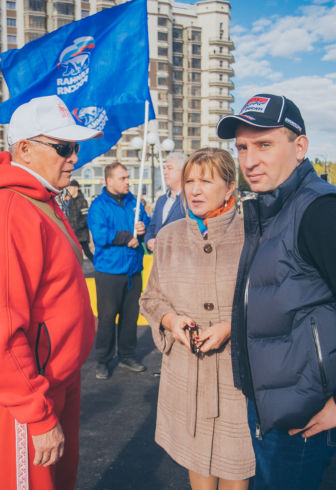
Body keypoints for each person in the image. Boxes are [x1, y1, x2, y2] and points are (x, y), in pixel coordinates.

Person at [217, 93, 336, 489]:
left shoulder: (319, 210)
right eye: (241, 147)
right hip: (276, 400)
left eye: (264, 144)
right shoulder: (272, 206)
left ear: (300, 147)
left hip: (301, 412)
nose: (249, 160)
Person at [0, 95, 101, 490]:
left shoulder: (37, 200)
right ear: (24, 148)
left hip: (55, 377)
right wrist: (35, 414)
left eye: (74, 147)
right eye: (63, 147)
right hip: (31, 389)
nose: (73, 157)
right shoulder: (6, 212)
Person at [140, 148, 254, 490]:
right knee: (196, 457)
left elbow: (270, 303)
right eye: (190, 180)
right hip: (186, 372)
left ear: (230, 186)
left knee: (235, 461)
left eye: (206, 180)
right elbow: (151, 298)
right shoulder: (170, 236)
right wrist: (171, 321)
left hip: (237, 375)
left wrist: (231, 327)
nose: (195, 189)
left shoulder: (254, 236)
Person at [88, 161, 150, 379]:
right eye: (122, 178)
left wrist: (142, 231)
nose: (127, 182)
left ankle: (127, 355)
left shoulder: (135, 202)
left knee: (130, 316)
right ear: (109, 181)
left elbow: (146, 224)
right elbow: (99, 234)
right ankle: (103, 360)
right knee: (107, 317)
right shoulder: (99, 205)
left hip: (133, 269)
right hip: (109, 270)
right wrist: (125, 237)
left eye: (128, 177)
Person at [145, 152, 188, 252]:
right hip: (159, 261)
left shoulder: (190, 199)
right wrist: (149, 241)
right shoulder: (161, 200)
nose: (164, 172)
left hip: (178, 259)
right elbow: (152, 226)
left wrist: (163, 243)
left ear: (183, 172)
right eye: (164, 168)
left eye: (169, 168)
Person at [63, 179, 93, 261]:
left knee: (87, 252)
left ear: (76, 188)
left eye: (71, 188)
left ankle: (98, 266)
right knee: (72, 253)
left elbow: (85, 217)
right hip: (72, 232)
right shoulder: (70, 201)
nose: (69, 190)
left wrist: (76, 227)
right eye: (68, 188)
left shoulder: (82, 201)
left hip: (81, 233)